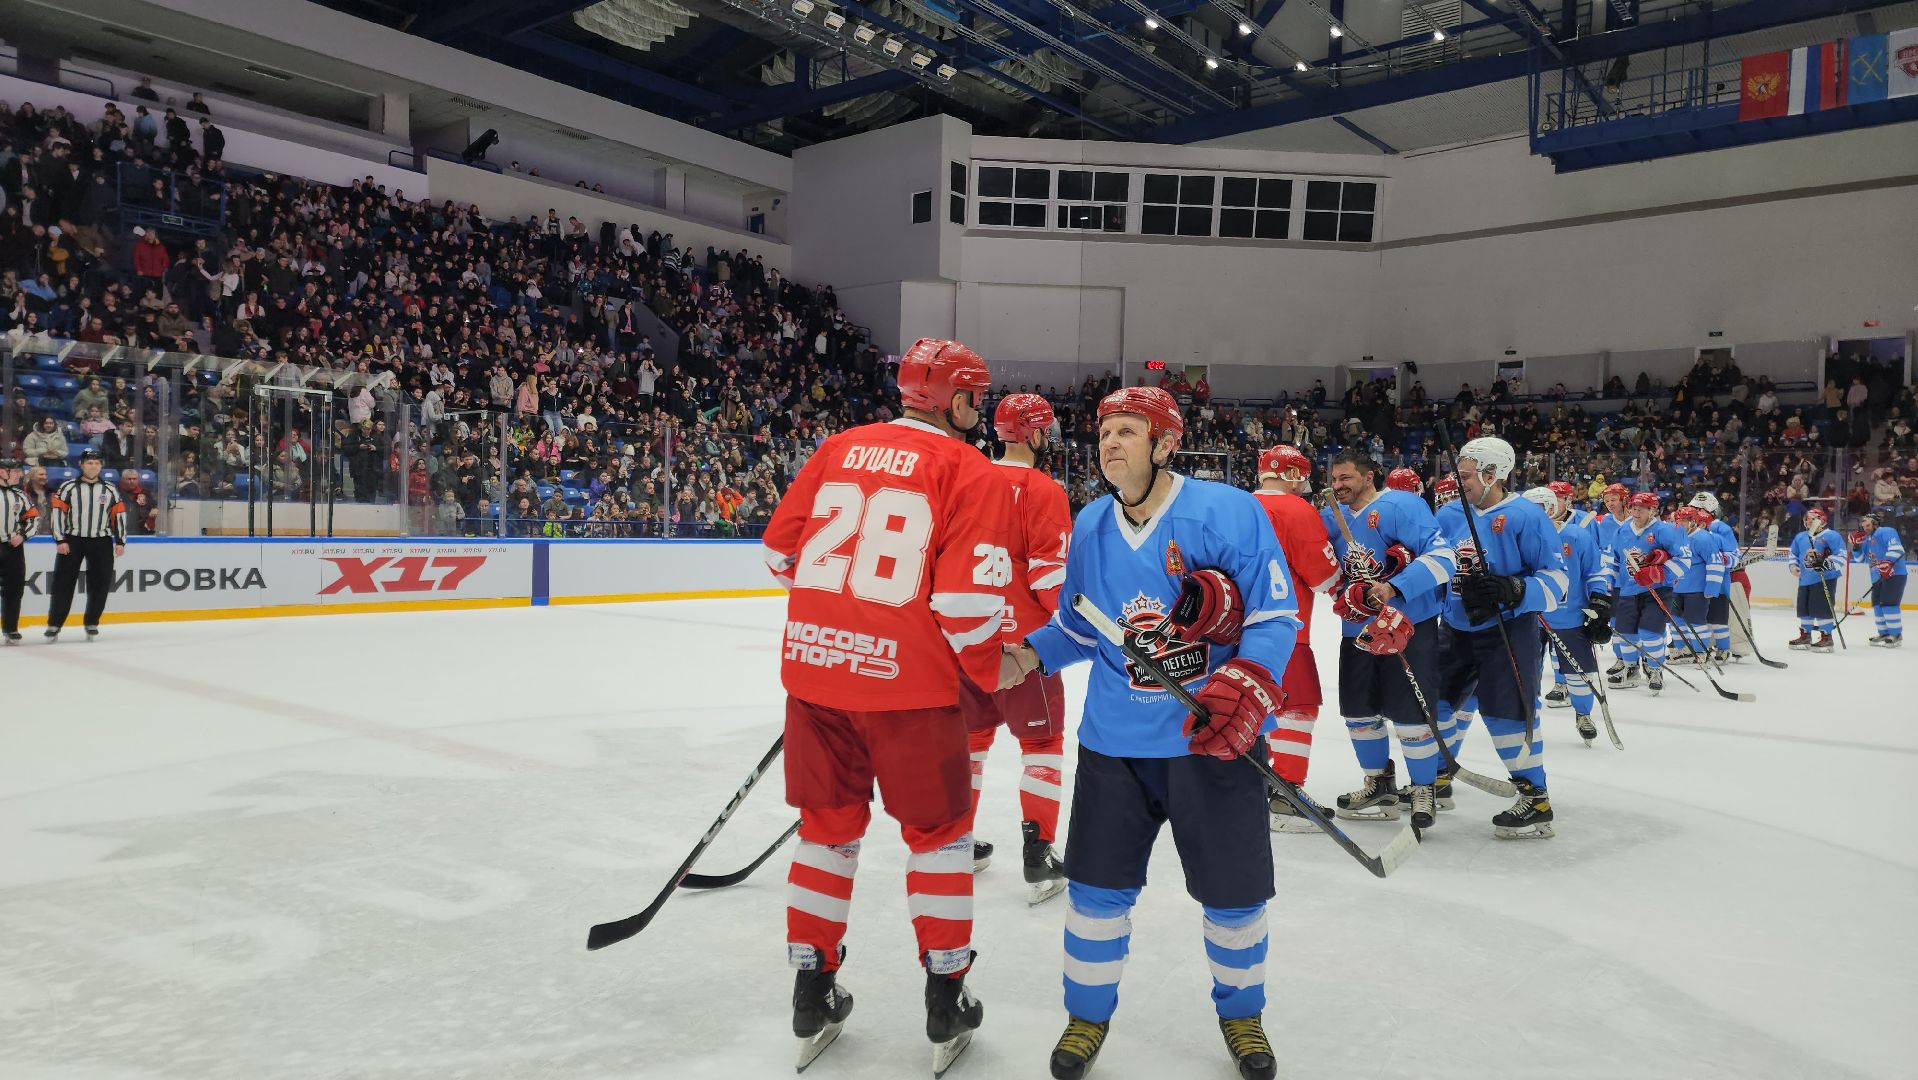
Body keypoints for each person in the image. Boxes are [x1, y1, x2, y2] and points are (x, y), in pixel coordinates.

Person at [1000, 386, 1298, 1080]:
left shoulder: (1227, 510)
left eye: (1129, 431)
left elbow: (1273, 615)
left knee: (1234, 894)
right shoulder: (1095, 523)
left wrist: (1250, 688)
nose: (1110, 444)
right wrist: (1024, 655)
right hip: (1114, 747)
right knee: (1095, 893)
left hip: (1211, 743)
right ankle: (1086, 1014)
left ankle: (1242, 1012)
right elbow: (1079, 626)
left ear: (1165, 444)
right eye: (1105, 432)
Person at [759, 338, 1013, 1074]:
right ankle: (945, 999)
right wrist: (993, 665)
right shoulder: (970, 468)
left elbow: (781, 556)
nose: (981, 408)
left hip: (814, 677)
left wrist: (842, 625)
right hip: (910, 691)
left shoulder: (837, 446)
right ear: (958, 401)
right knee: (938, 837)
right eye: (977, 395)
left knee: (826, 830)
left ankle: (812, 990)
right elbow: (966, 606)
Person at [959, 392, 1072, 904]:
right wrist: (1078, 624)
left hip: (965, 643)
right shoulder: (1043, 489)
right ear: (1031, 432)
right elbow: (1051, 578)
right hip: (1026, 649)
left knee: (970, 745)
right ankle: (1038, 854)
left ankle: (955, 844)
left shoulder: (968, 478)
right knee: (1042, 747)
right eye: (1045, 429)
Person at [1431, 439, 1568, 837]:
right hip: (1454, 626)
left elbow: (1557, 581)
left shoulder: (1525, 516)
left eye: (1468, 474)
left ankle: (1535, 798)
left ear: (1493, 475)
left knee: (1506, 712)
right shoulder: (1450, 513)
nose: (1460, 480)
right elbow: (1434, 563)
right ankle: (1437, 776)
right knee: (1437, 704)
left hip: (1507, 629)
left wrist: (1514, 590)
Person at [1321, 451, 1456, 824]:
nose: (1338, 486)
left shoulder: (1402, 505)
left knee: (1412, 712)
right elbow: (1321, 565)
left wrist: (1394, 587)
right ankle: (1379, 783)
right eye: (1334, 480)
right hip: (1359, 629)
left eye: (1346, 478)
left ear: (1369, 476)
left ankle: (1424, 789)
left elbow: (1445, 557)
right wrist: (1341, 594)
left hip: (1408, 625)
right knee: (1359, 711)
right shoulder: (1332, 516)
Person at [1249, 444, 1340, 832]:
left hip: (1229, 628)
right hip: (1285, 628)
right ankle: (1286, 791)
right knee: (1298, 706)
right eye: (1301, 477)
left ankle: (1242, 788)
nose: (1304, 485)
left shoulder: (1236, 504)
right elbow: (1324, 577)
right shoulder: (1299, 511)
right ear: (1290, 474)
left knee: (1243, 706)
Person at [1526, 487, 1612, 744]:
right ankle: (1527, 717)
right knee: (1525, 672)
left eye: (1539, 509)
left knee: (1579, 672)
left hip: (1569, 616)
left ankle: (1583, 714)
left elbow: (1596, 571)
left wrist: (1598, 601)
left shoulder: (1576, 536)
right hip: (1529, 617)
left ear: (1551, 508)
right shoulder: (1520, 538)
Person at [1603, 493, 1692, 691]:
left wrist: (1658, 573)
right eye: (1633, 508)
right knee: (1626, 633)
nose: (1635, 512)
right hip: (1628, 590)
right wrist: (1608, 580)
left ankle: (1654, 669)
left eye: (1640, 509)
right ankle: (1631, 669)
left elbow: (1684, 560)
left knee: (1650, 633)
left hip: (1658, 591)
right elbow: (1613, 558)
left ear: (1653, 510)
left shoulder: (1664, 531)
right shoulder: (1623, 530)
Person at [46, 448, 127, 641]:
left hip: (102, 541)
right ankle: (54, 624)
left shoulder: (109, 489)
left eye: (97, 463)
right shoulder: (68, 488)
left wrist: (121, 541)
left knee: (100, 583)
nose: (93, 466)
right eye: (89, 463)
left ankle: (92, 622)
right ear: (81, 465)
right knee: (63, 583)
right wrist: (60, 539)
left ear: (101, 466)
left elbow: (118, 515)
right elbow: (57, 514)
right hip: (73, 540)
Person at [1669, 507, 1728, 665]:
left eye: (1682, 521)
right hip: (1676, 589)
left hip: (1696, 590)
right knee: (1675, 620)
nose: (1678, 524)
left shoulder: (1703, 538)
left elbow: (1715, 562)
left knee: (1695, 622)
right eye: (1677, 520)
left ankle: (1701, 651)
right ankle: (1683, 650)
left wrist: (1712, 588)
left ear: (1693, 521)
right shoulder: (1676, 538)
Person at [1688, 492, 1742, 661]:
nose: (1696, 512)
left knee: (1717, 619)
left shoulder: (1721, 529)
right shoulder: (1688, 528)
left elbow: (1734, 556)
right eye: (1694, 509)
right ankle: (1699, 647)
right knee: (1697, 619)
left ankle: (1723, 648)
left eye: (1699, 509)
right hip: (1695, 584)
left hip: (1718, 583)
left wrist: (1720, 559)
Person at [1787, 509, 1845, 652]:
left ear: (1823, 521)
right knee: (1804, 608)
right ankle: (1805, 635)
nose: (1809, 521)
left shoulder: (1831, 536)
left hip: (1824, 578)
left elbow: (1841, 556)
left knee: (1822, 608)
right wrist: (1793, 566)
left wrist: (1825, 563)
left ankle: (1827, 637)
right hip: (1805, 578)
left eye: (1814, 519)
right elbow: (1793, 553)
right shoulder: (1801, 537)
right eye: (1807, 519)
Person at [1850, 512, 1906, 647]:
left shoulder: (1887, 531)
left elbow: (1897, 549)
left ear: (1875, 523)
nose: (1865, 528)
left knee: (1889, 604)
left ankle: (1896, 635)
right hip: (1876, 577)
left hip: (1894, 574)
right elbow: (1860, 559)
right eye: (1863, 526)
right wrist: (1856, 546)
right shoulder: (1866, 539)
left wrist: (1887, 562)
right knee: (1877, 605)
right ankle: (1884, 634)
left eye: (1868, 525)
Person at [1, 457, 39, 644]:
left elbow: (33, 519)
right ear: (2, 472)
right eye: (15, 471)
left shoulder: (20, 496)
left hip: (12, 549)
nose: (20, 474)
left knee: (14, 590)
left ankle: (10, 628)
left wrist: (23, 535)